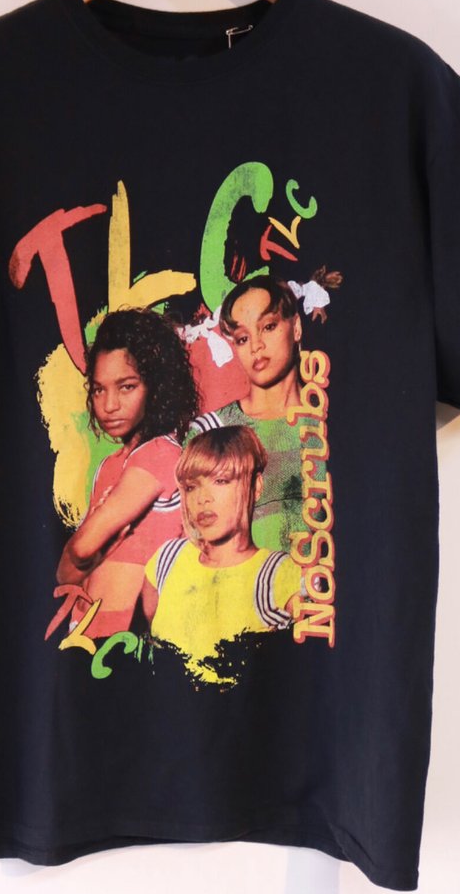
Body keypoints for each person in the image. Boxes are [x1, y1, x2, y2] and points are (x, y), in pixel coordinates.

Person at [55, 307, 200, 640]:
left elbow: (81, 549)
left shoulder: (161, 453)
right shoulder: (109, 466)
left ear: (156, 386)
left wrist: (94, 544)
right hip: (84, 631)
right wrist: (99, 545)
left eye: (126, 387)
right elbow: (64, 574)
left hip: (128, 638)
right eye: (99, 389)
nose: (109, 405)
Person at [143, 425, 304, 687]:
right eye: (192, 486)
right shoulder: (166, 559)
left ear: (256, 486)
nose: (203, 498)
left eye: (221, 481)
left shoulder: (278, 574)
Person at [187, 275, 324, 553]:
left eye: (268, 327)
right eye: (242, 338)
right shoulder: (210, 431)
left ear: (296, 327)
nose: (256, 346)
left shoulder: (328, 420)